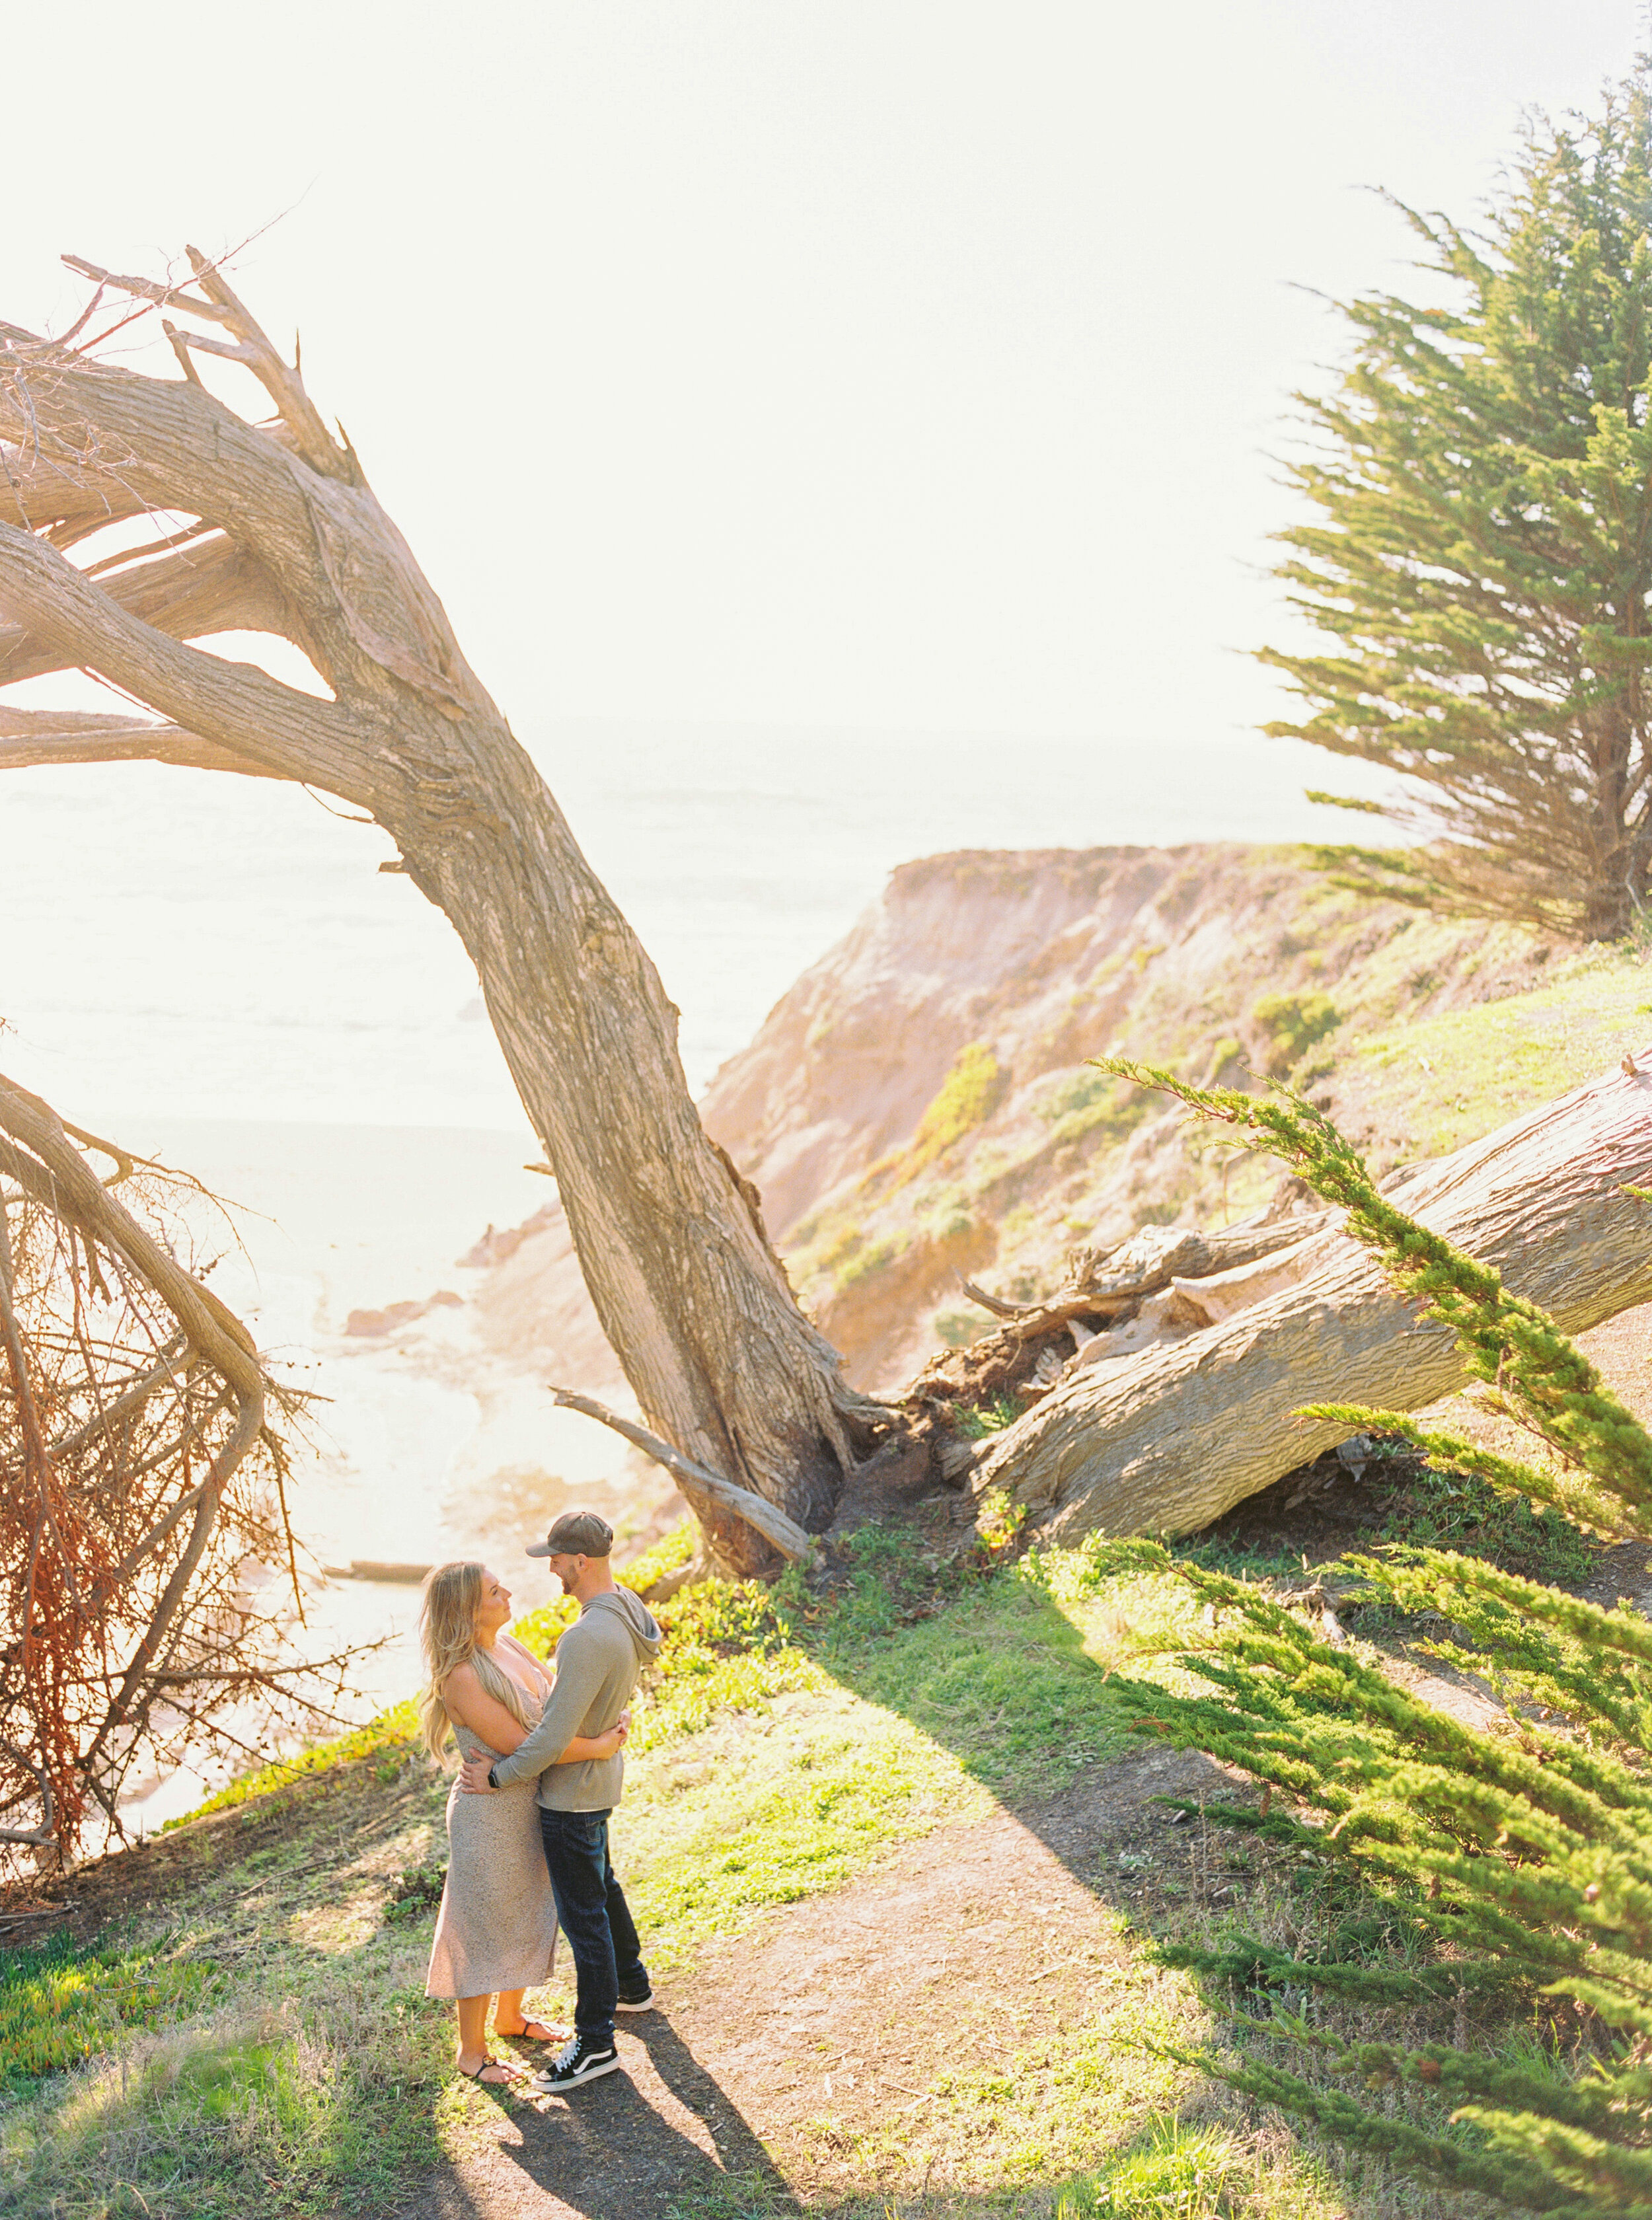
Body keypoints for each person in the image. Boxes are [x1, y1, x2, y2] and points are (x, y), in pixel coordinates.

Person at [459, 1510, 662, 2092]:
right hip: (599, 1783)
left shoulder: (584, 1635)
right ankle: (633, 1985)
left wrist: (499, 1779)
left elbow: (549, 1737)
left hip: (571, 1797)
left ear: (582, 1561)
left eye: (556, 1558)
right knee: (605, 1886)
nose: (549, 1568)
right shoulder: (625, 1608)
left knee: (584, 1918)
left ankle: (595, 2043)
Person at [420, 1559, 629, 2087]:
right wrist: (600, 1747)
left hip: (532, 1801)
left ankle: (511, 2019)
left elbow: (556, 1707)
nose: (508, 1592)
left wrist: (604, 1707)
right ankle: (471, 2052)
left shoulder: (508, 1646)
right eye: (494, 1591)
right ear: (468, 1611)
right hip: (489, 1814)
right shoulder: (462, 1676)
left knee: (529, 1911)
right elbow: (525, 1746)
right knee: (484, 1925)